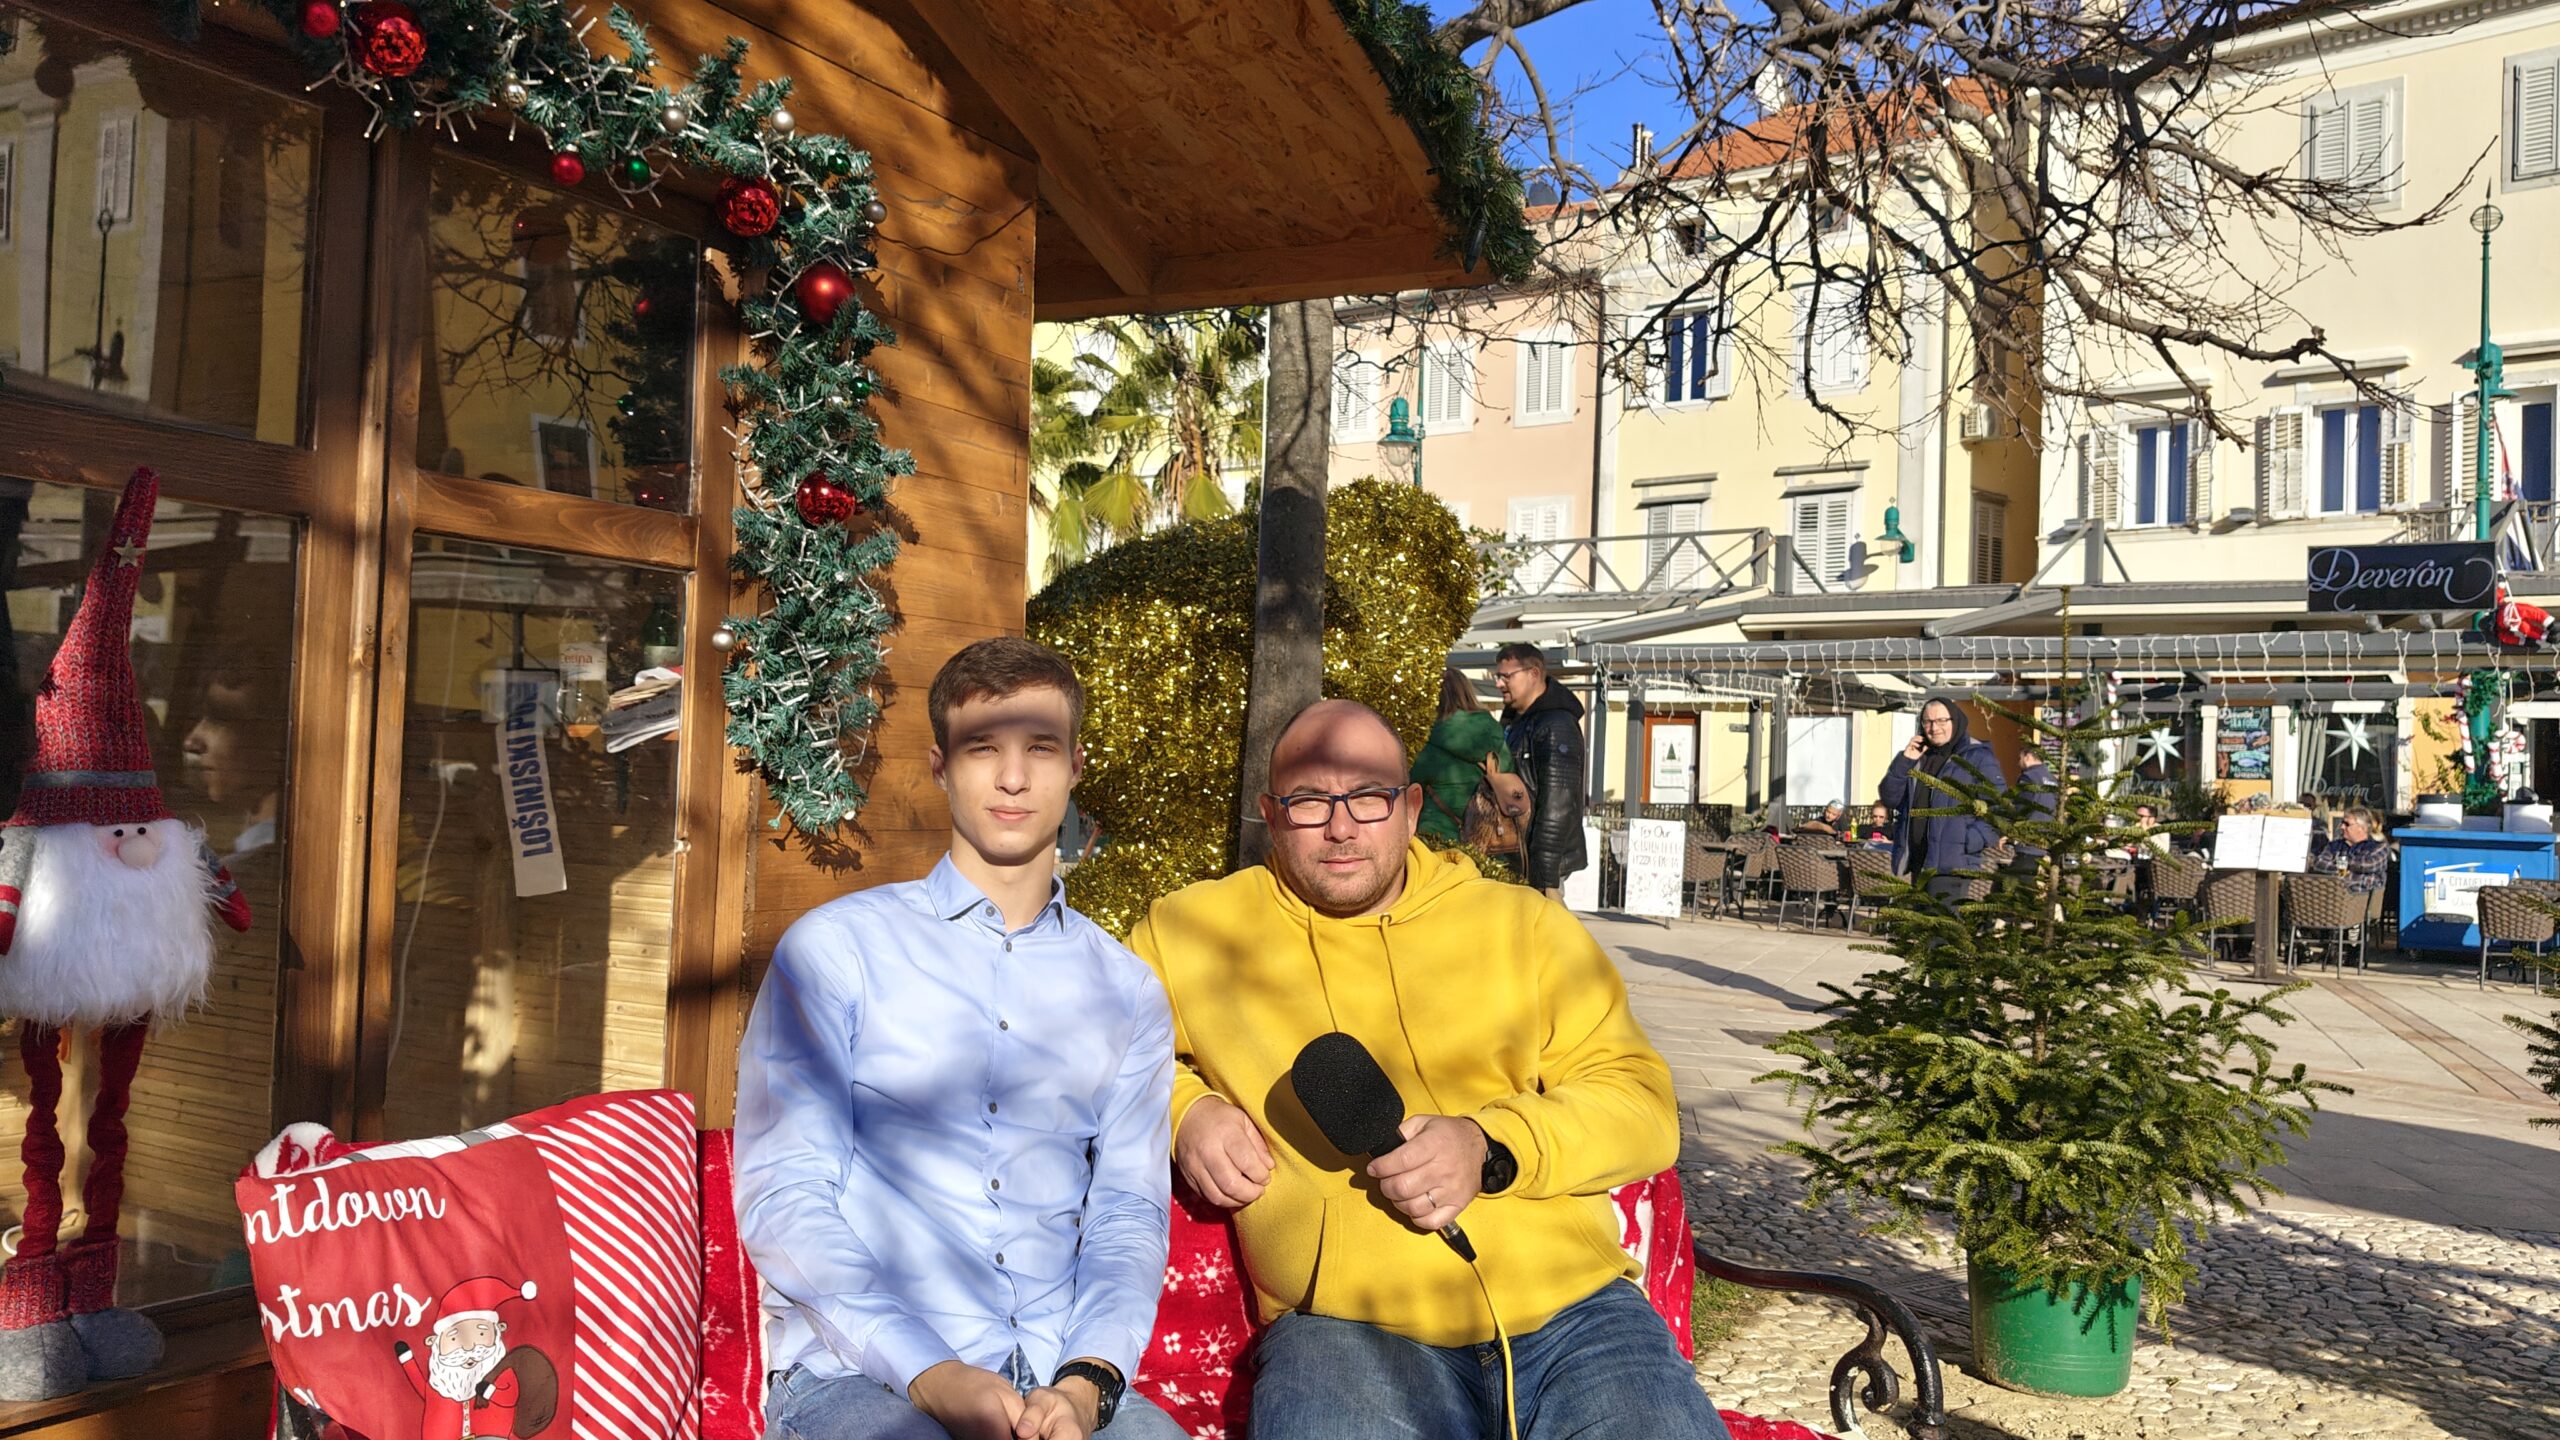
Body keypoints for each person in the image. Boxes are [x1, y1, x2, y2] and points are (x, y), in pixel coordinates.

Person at [1130, 699, 1727, 1440]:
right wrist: (1183, 1111)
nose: (1341, 827)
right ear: (1271, 815)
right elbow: (1090, 1057)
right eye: (1310, 801)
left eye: (1369, 797)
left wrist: (1490, 1145)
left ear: (1411, 808)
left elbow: (1642, 1106)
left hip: (1574, 1311)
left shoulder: (1526, 927)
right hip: (1344, 1328)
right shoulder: (1190, 931)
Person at [736, 637, 1184, 1440]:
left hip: (1055, 1377)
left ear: (1075, 767)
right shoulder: (837, 951)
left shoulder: (1128, 991)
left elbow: (1127, 1212)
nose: (1013, 778)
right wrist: (933, 1374)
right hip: (862, 1374)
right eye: (983, 749)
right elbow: (786, 1194)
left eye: (1039, 748)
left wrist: (1087, 1383)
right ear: (941, 766)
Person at [1879, 696, 2006, 892]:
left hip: (1952, 866)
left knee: (1944, 913)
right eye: (1928, 721)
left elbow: (1999, 809)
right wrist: (1905, 760)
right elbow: (1889, 798)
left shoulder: (1976, 756)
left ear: (1955, 720)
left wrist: (1970, 840)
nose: (1934, 728)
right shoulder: (1918, 756)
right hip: (1918, 862)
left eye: (1941, 721)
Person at [1493, 643, 1590, 897]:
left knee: (1545, 921)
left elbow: (1558, 805)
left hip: (1537, 865)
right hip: (1517, 857)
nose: (1499, 684)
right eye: (1497, 676)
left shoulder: (1556, 725)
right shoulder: (1516, 722)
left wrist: (1543, 875)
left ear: (1534, 673)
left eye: (1506, 676)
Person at [1412, 665, 1514, 845]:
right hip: (1490, 838)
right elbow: (1509, 775)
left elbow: (1410, 785)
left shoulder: (1427, 738)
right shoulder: (1492, 731)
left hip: (1439, 839)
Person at [2312, 806, 2390, 894]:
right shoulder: (2334, 846)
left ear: (2362, 828)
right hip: (2334, 896)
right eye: (2342, 823)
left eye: (2347, 824)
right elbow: (2319, 864)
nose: (2342, 827)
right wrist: (2344, 872)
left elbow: (2367, 865)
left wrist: (2339, 863)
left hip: (2361, 896)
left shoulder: (2377, 847)